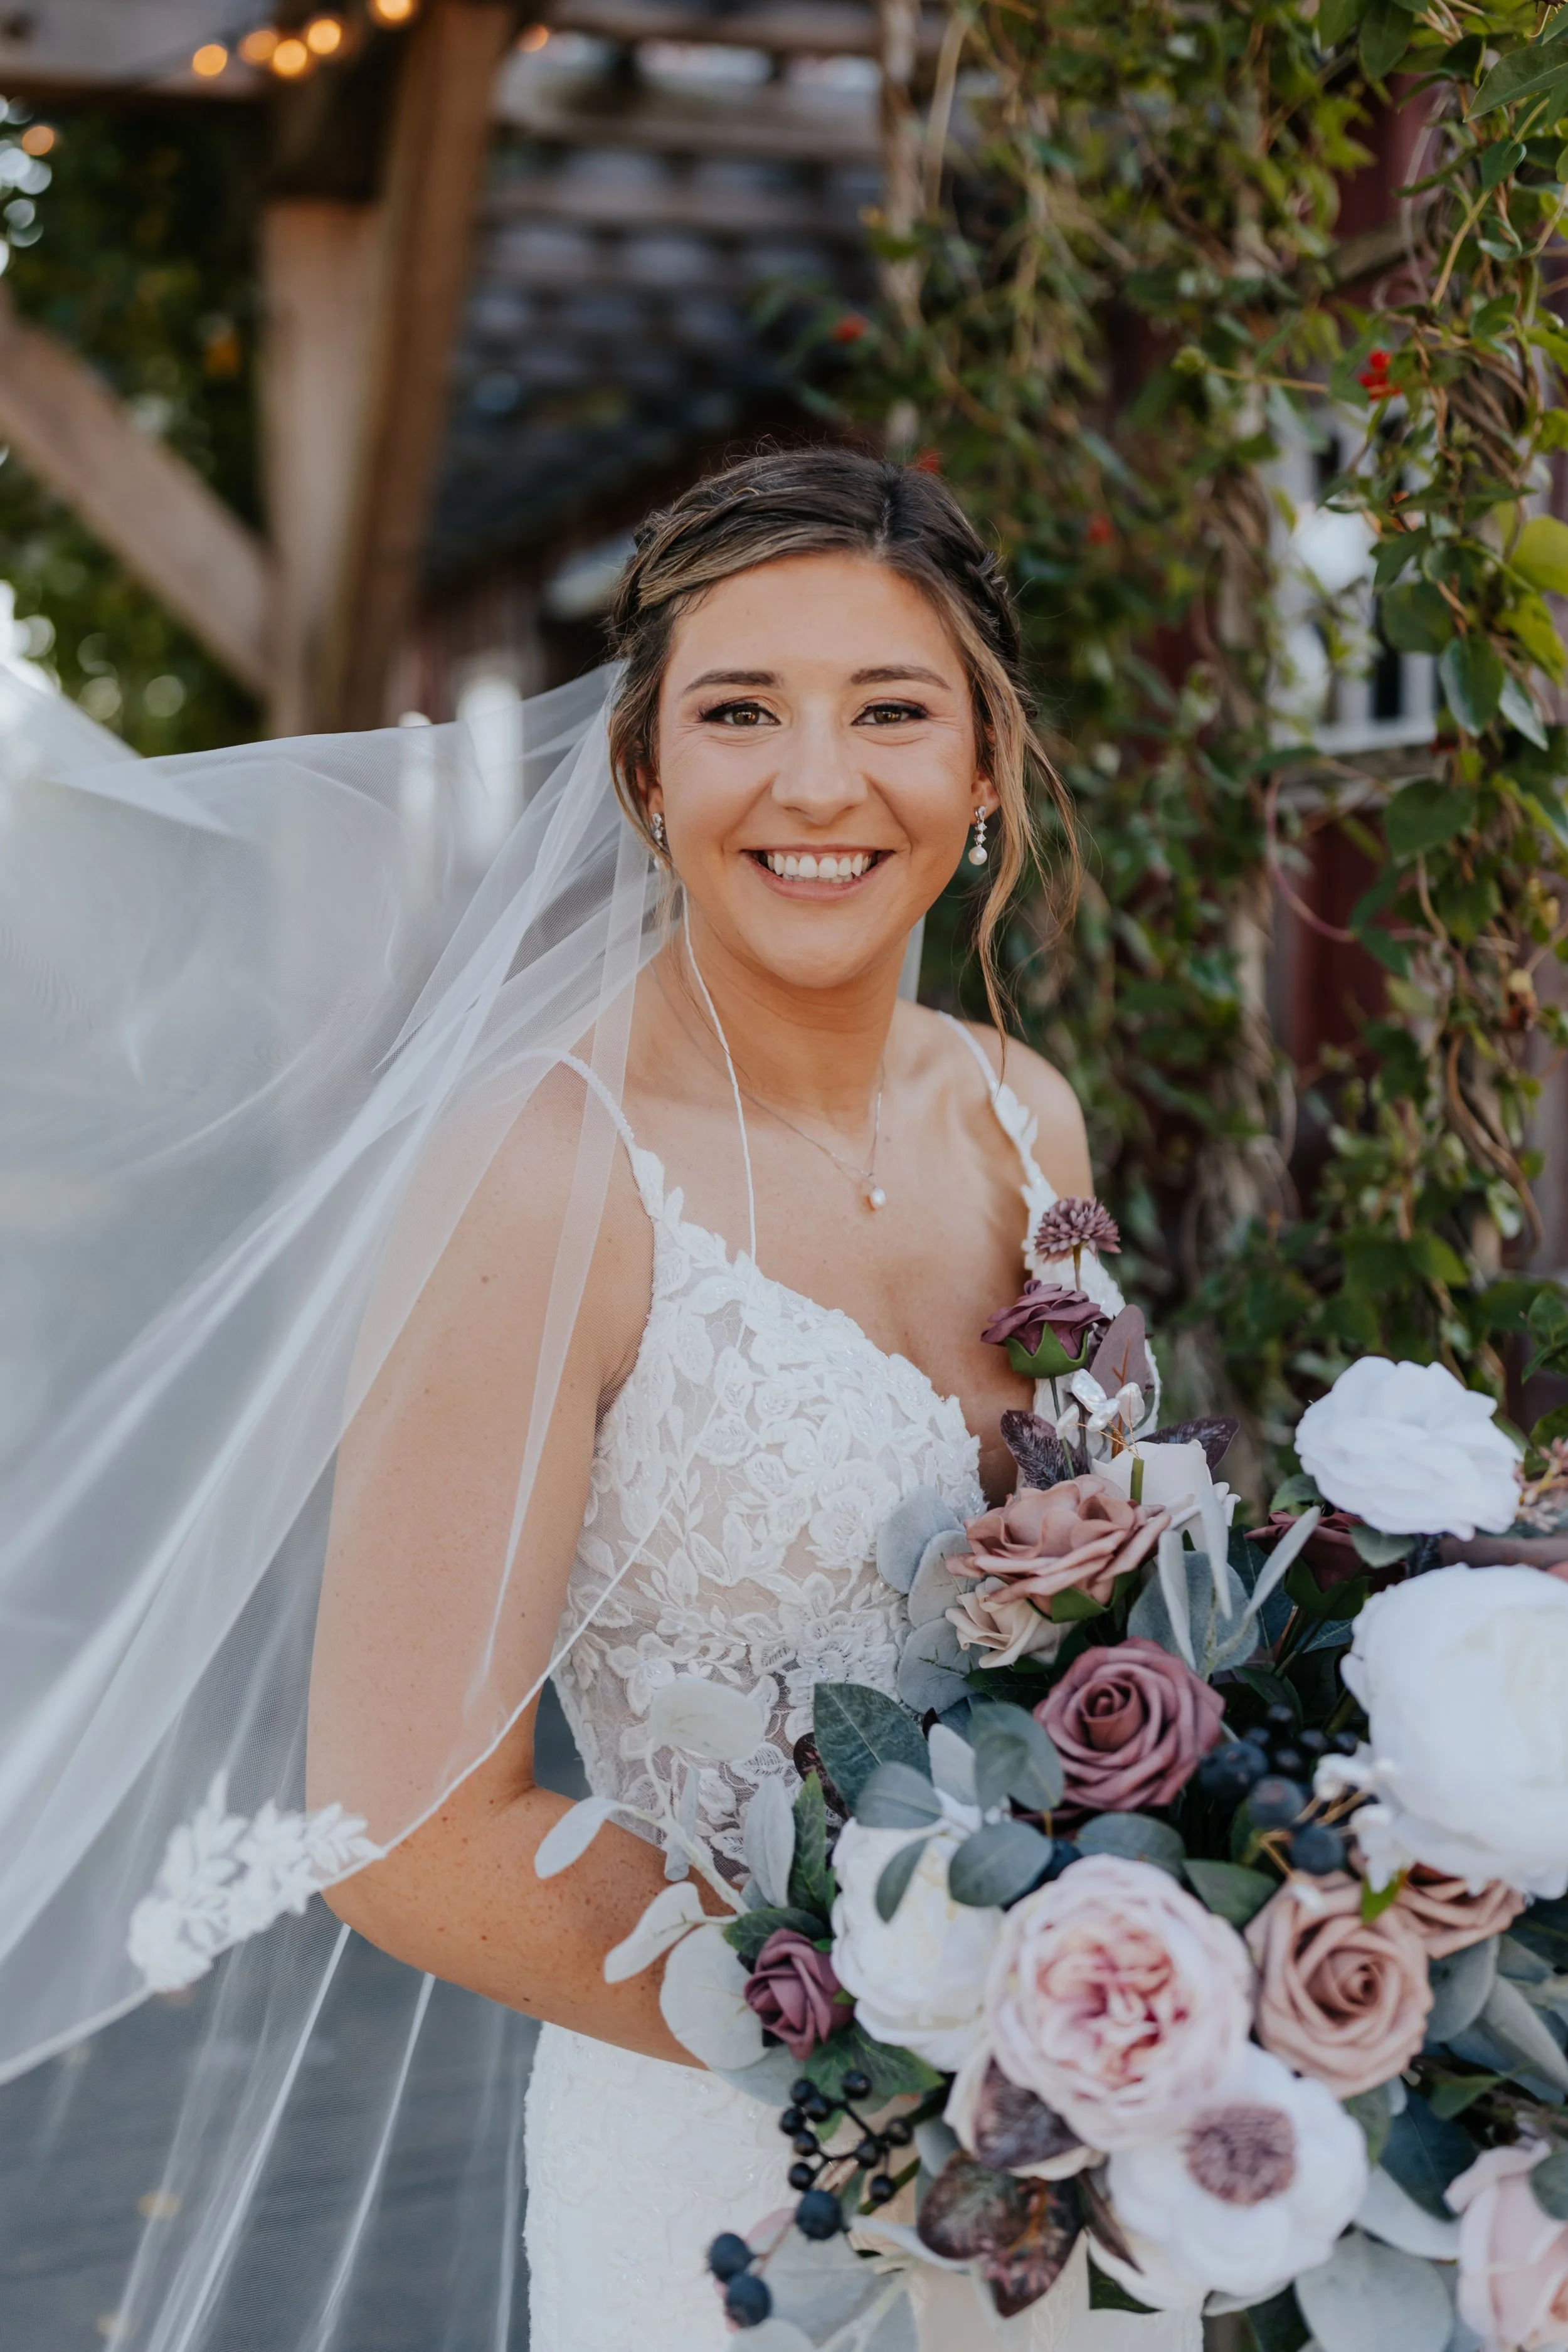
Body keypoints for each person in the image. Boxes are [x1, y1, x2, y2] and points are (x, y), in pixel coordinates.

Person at [0, 448, 1188, 2351]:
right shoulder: (545, 1168)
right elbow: (398, 1831)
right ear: (644, 775)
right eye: (739, 713)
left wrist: (1157, 1964)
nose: (816, 782)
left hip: (1086, 2157)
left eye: (891, 710)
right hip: (738, 2176)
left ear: (984, 772)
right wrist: (919, 2033)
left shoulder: (1013, 1107)